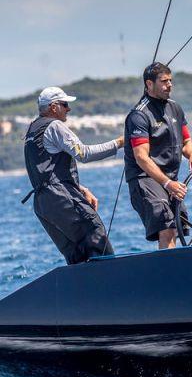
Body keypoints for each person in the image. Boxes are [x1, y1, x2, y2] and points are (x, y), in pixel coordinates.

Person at [23, 87, 121, 264]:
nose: (68, 108)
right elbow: (84, 154)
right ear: (54, 107)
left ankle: (84, 290)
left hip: (43, 204)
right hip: (60, 197)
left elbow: (45, 171)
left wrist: (80, 188)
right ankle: (112, 284)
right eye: (65, 104)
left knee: (76, 254)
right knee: (94, 234)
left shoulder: (32, 129)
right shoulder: (54, 126)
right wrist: (120, 142)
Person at [124, 62, 192, 249]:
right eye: (164, 81)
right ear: (149, 84)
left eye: (170, 81)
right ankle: (170, 274)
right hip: (145, 178)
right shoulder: (139, 115)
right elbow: (141, 157)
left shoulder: (175, 108)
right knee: (166, 224)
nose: (169, 85)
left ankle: (176, 270)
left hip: (169, 178)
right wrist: (167, 184)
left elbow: (187, 142)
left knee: (177, 226)